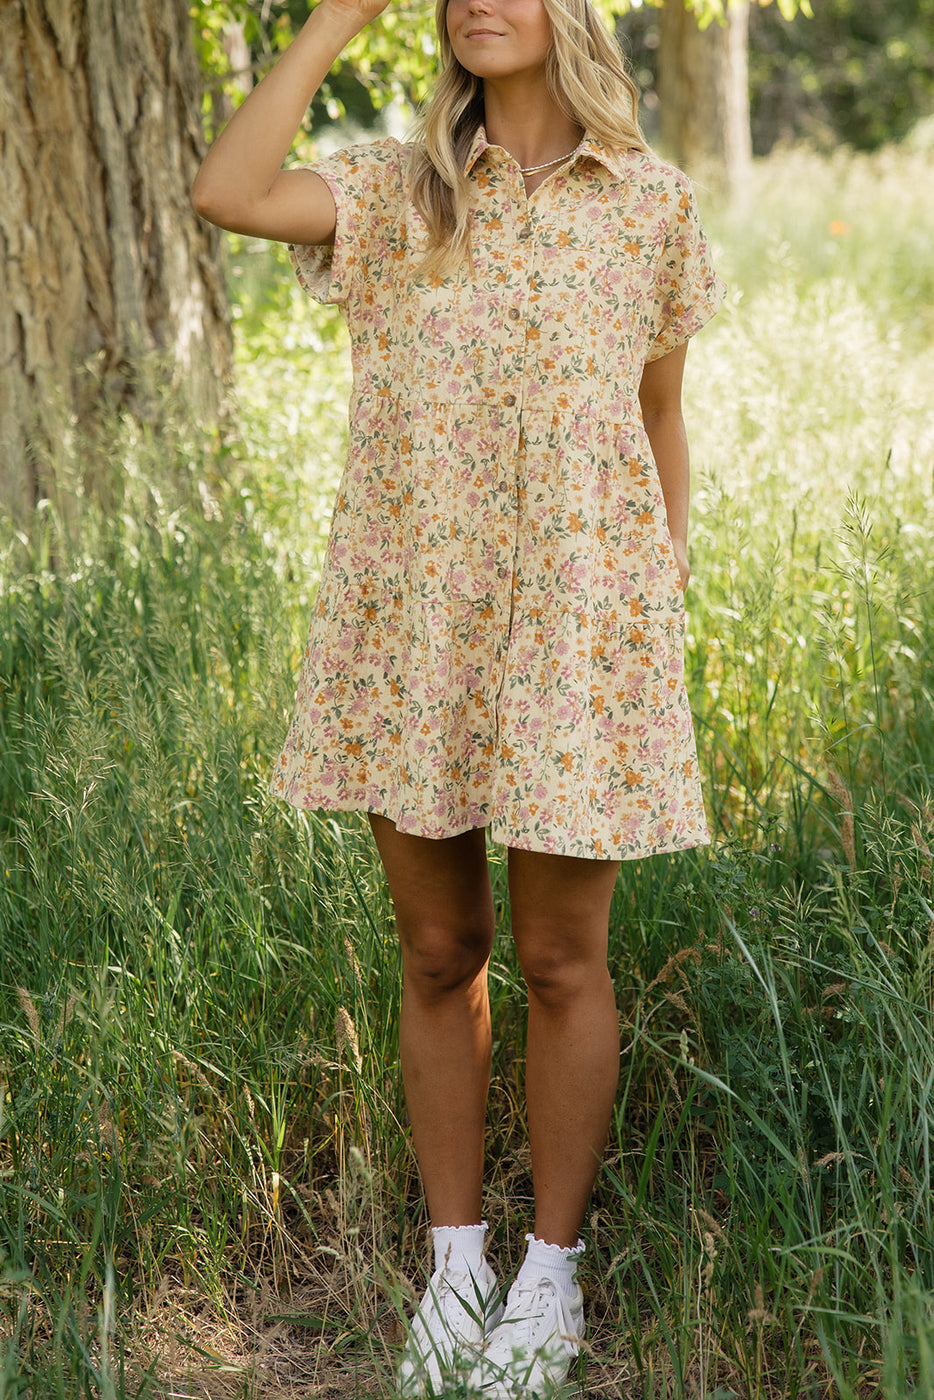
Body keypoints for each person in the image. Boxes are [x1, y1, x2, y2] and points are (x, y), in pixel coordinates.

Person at [192, 0, 723, 1391]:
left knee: (561, 961)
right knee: (438, 956)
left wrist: (654, 601)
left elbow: (657, 408)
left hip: (581, 625)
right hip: (410, 626)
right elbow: (227, 189)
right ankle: (454, 1262)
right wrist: (330, 21)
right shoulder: (386, 192)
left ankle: (549, 1281)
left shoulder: (650, 202)